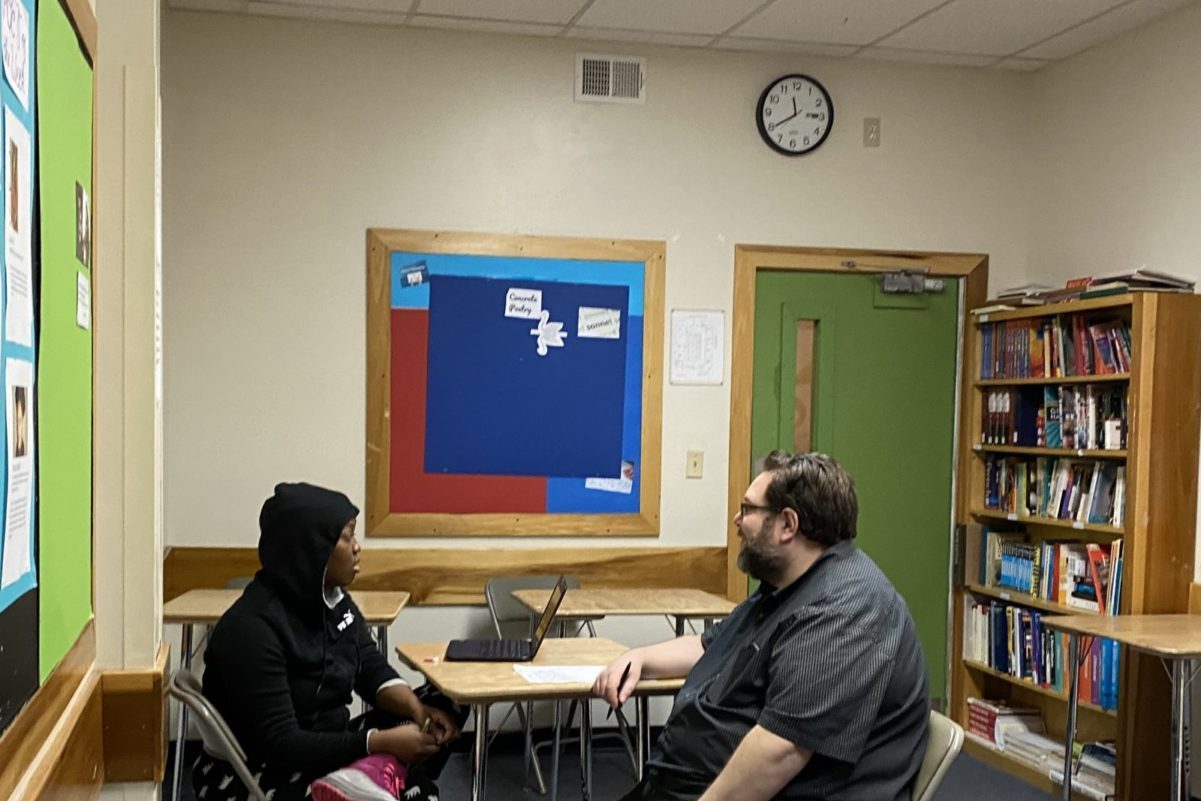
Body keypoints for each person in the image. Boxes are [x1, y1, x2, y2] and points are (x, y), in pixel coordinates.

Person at [593, 451, 930, 801]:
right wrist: (640, 657)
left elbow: (781, 750)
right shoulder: (787, 583)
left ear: (787, 524)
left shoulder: (845, 609)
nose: (737, 519)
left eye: (748, 509)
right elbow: (712, 645)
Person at [195, 482, 467, 801]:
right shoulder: (251, 629)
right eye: (346, 536)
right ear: (312, 549)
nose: (356, 547)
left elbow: (369, 665)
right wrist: (379, 742)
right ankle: (380, 773)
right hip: (258, 768)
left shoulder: (333, 602)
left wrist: (417, 709)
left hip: (327, 744)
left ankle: (376, 773)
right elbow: (283, 744)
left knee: (446, 699)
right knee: (419, 794)